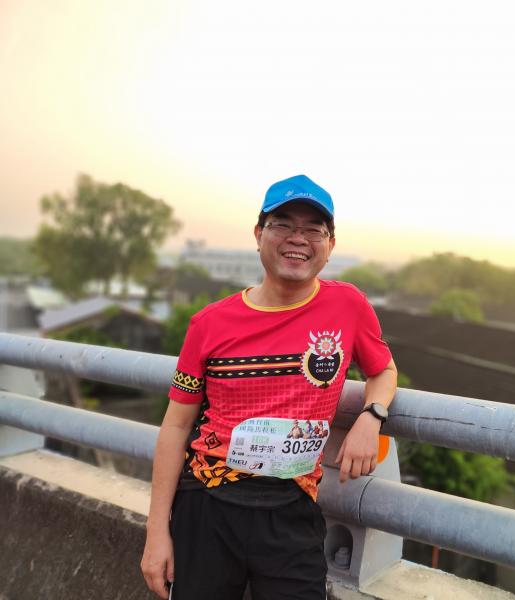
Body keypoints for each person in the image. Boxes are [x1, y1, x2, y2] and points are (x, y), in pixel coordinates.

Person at [140, 174, 397, 600]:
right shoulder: (209, 324)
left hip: (292, 507)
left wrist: (372, 417)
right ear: (259, 234)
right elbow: (175, 426)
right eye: (283, 225)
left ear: (330, 244)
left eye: (313, 229)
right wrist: (156, 534)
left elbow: (383, 370)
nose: (298, 238)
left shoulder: (347, 305)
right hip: (208, 502)